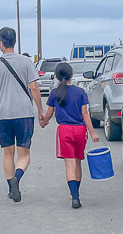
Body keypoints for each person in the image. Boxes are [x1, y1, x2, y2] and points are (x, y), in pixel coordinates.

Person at [0, 27, 43, 202]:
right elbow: (34, 88)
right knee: (24, 154)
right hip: (24, 113)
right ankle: (17, 177)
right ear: (15, 42)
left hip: (3, 115)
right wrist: (40, 110)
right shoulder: (26, 62)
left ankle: (12, 187)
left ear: (0, 43)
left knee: (7, 153)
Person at [39, 62, 99, 209]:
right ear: (71, 75)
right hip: (80, 130)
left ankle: (75, 198)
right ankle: (76, 192)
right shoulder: (80, 92)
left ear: (56, 77)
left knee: (69, 164)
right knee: (78, 162)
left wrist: (43, 123)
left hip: (64, 130)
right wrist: (92, 132)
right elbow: (85, 114)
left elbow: (49, 113)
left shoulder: (54, 93)